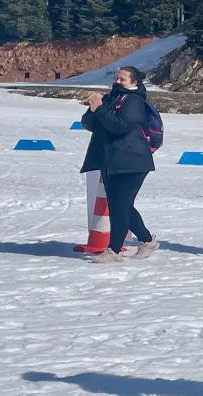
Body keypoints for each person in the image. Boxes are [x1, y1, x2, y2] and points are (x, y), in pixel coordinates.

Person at [79, 66, 159, 263]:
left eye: (122, 79)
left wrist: (100, 110)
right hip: (112, 160)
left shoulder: (134, 101)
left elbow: (121, 127)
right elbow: (89, 124)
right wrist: (93, 109)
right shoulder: (112, 97)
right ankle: (147, 241)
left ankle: (114, 251)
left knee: (119, 207)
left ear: (134, 82)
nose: (117, 81)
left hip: (132, 162)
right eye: (117, 77)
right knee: (122, 205)